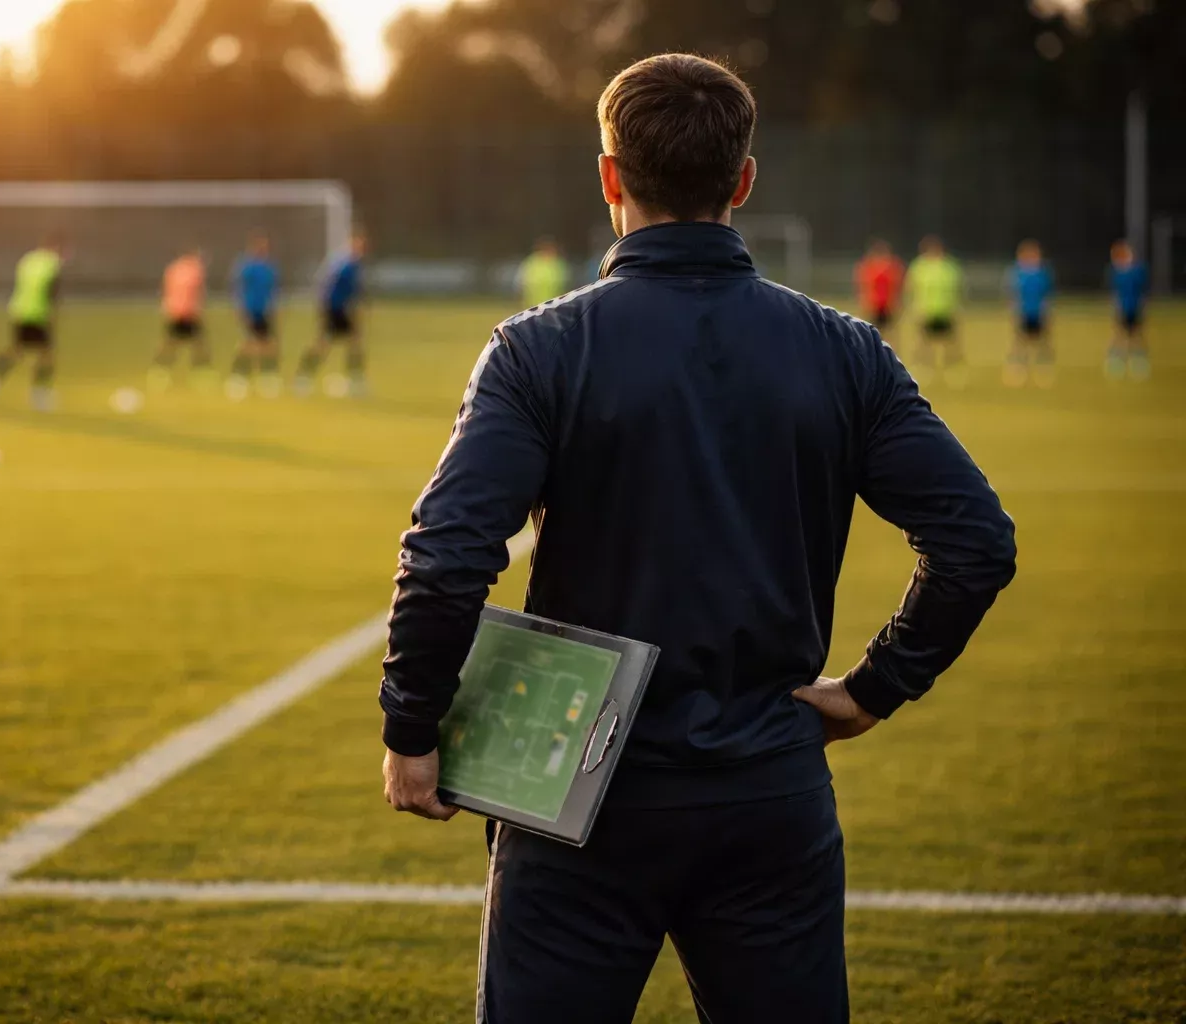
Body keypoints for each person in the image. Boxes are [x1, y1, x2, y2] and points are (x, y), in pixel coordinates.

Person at [378, 53, 1016, 1024]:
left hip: (574, 791)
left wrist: (411, 726)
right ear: (745, 181)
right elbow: (976, 538)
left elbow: (448, 551)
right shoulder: (843, 350)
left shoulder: (539, 349)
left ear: (609, 177)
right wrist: (872, 689)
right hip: (772, 789)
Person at [0, 234, 65, 411]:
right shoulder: (52, 264)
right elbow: (51, 291)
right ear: (56, 247)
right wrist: (53, 314)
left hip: (19, 311)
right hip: (38, 313)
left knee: (16, 351)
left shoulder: (28, 260)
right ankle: (39, 395)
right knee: (46, 355)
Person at [294, 231, 369, 398]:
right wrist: (326, 310)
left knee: (354, 343)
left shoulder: (348, 264)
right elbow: (333, 288)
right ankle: (303, 377)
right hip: (335, 309)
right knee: (324, 345)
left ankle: (356, 381)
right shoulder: (346, 265)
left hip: (339, 309)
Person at [225, 232, 281, 400]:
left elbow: (273, 291)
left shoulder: (270, 268)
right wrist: (240, 309)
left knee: (268, 345)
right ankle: (238, 378)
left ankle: (267, 378)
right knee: (248, 345)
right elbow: (237, 289)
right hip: (250, 310)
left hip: (265, 311)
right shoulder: (246, 267)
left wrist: (274, 309)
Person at [904, 235, 966, 386]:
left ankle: (952, 370)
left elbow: (957, 288)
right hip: (926, 310)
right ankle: (923, 369)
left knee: (950, 343)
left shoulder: (949, 267)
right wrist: (914, 307)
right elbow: (911, 287)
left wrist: (956, 307)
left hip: (945, 310)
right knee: (923, 343)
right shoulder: (919, 266)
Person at [152, 248, 211, 392]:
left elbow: (166, 289)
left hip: (174, 311)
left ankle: (160, 373)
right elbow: (197, 293)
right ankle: (200, 374)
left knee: (170, 344)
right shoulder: (195, 271)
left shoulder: (173, 269)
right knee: (198, 344)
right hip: (188, 312)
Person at [1005, 239, 1056, 388]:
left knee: (1042, 342)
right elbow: (1013, 294)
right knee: (1020, 343)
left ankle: (1044, 369)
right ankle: (1018, 369)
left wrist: (1048, 312)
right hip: (1023, 313)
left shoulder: (1042, 274)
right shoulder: (1018, 274)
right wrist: (1014, 311)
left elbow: (1047, 295)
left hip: (1039, 313)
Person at [1106, 239, 1150, 382]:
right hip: (1122, 309)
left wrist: (1143, 308)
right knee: (1119, 336)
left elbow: (1143, 292)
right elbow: (1115, 294)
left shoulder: (1137, 271)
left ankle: (1139, 362)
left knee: (1137, 336)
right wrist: (1115, 308)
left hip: (1135, 309)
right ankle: (1116, 362)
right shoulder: (1116, 273)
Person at [854, 239, 904, 345]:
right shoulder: (869, 266)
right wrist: (865, 302)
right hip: (874, 305)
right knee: (873, 332)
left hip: (887, 305)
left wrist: (896, 302)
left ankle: (890, 355)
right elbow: (864, 286)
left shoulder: (891, 266)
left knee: (890, 333)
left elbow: (896, 286)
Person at [518, 237, 570, 309]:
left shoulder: (558, 262)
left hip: (553, 303)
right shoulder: (533, 260)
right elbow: (524, 280)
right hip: (534, 303)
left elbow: (563, 283)